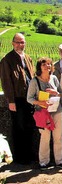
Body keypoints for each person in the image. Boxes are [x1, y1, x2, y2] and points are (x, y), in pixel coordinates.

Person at [0, 33, 36, 164]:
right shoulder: (7, 59)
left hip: (29, 98)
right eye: (18, 42)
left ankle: (30, 155)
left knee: (29, 126)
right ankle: (20, 158)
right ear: (13, 43)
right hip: (17, 98)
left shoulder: (27, 57)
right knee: (19, 127)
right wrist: (10, 101)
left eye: (22, 42)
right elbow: (6, 82)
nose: (20, 45)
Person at [27, 57, 62, 169]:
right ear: (40, 67)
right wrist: (40, 102)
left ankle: (59, 160)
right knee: (45, 137)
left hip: (57, 111)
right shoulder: (35, 81)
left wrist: (56, 92)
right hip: (43, 113)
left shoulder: (54, 78)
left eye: (49, 64)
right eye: (44, 64)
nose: (47, 66)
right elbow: (29, 98)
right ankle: (44, 162)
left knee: (58, 137)